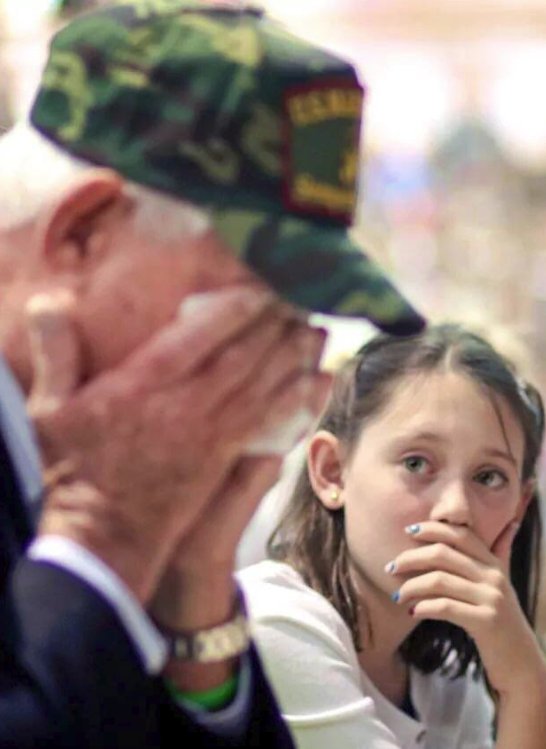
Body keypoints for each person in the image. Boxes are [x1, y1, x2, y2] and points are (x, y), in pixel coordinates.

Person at [0, 2, 425, 747]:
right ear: (80, 236)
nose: (283, 361)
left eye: (300, 316)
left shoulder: (102, 458)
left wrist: (195, 604)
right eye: (252, 305)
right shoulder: (103, 497)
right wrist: (103, 536)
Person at [239, 324, 546, 749]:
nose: (456, 509)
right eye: (417, 464)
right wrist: (526, 686)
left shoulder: (445, 680)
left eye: (488, 476)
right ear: (331, 470)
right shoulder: (276, 624)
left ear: (521, 503)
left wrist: (523, 675)